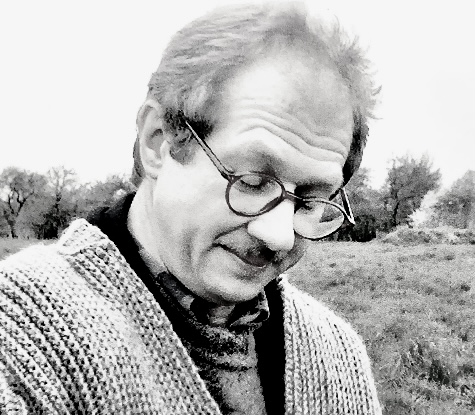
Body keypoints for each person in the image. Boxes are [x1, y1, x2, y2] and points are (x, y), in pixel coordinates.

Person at [0, 2, 381, 414]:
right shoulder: (19, 340)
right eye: (253, 181)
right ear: (159, 142)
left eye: (308, 200)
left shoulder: (338, 355)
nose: (279, 236)